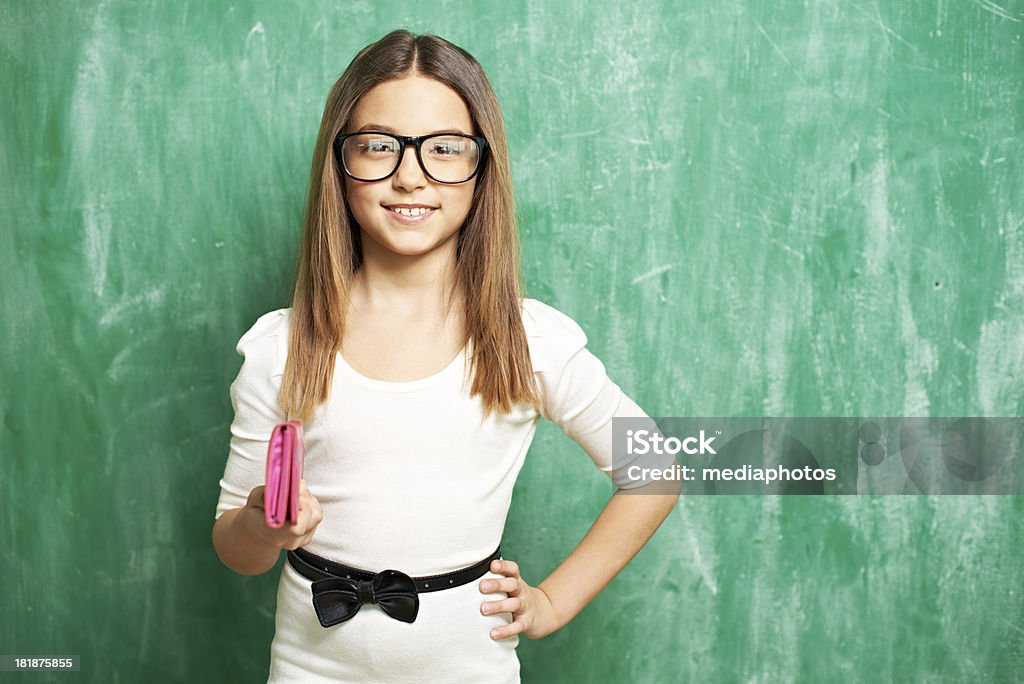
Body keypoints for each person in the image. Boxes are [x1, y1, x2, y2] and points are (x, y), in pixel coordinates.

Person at [210, 28, 681, 684]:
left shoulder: (527, 342)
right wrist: (262, 523)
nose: (410, 175)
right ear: (339, 164)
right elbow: (238, 552)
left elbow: (655, 470)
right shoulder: (279, 348)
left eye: (444, 150)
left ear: (481, 167)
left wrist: (552, 602)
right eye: (377, 146)